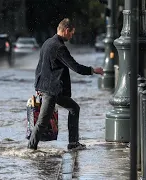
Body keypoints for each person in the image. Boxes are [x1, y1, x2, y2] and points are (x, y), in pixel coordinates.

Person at [27, 18, 104, 151]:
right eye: (72, 33)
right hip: (52, 91)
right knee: (42, 122)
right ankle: (30, 148)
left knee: (74, 108)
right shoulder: (59, 47)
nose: (71, 36)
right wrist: (93, 70)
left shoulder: (47, 42)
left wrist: (37, 87)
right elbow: (76, 67)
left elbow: (39, 67)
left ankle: (73, 143)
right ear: (66, 30)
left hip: (48, 89)